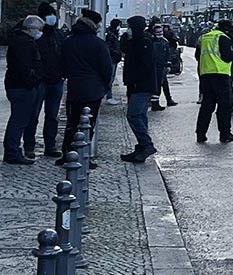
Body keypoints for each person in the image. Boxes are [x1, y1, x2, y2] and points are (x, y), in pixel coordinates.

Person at [60, 9, 114, 156]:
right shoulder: (99, 44)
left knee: (72, 124)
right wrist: (105, 87)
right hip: (93, 91)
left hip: (74, 89)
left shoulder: (68, 42)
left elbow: (62, 65)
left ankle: (67, 154)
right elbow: (106, 69)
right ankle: (82, 157)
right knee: (87, 125)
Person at [2, 15, 44, 164]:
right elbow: (25, 68)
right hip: (22, 86)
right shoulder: (24, 43)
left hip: (16, 84)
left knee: (18, 118)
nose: (40, 32)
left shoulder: (19, 40)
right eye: (39, 29)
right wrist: (33, 81)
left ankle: (12, 150)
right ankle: (12, 152)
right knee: (20, 120)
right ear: (31, 29)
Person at [119, 14, 160, 163]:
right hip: (135, 85)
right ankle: (141, 147)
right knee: (140, 116)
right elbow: (123, 50)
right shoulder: (134, 41)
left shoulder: (145, 42)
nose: (127, 29)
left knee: (134, 115)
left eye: (129, 27)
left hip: (142, 86)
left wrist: (135, 81)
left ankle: (146, 144)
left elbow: (145, 66)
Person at [195, 18, 233, 143]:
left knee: (207, 106)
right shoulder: (223, 38)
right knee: (225, 106)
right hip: (220, 74)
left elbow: (197, 56)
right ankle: (225, 134)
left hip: (205, 75)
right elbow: (228, 57)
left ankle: (200, 134)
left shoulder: (204, 37)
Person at [35, 3, 67, 155]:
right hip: (39, 80)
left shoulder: (59, 34)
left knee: (52, 116)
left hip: (57, 80)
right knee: (33, 114)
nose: (53, 18)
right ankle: (29, 145)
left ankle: (50, 145)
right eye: (50, 15)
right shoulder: (36, 35)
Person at [151, 22, 179, 110]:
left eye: (161, 32)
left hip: (162, 66)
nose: (160, 34)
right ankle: (155, 103)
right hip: (154, 66)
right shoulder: (151, 41)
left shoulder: (164, 41)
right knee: (157, 85)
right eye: (157, 32)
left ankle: (168, 100)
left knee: (164, 83)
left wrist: (168, 64)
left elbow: (168, 54)